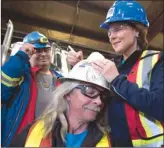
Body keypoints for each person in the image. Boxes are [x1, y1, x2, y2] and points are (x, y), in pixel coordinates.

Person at [67, 0, 164, 147]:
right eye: (109, 31)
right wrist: (82, 67)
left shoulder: (157, 60)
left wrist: (117, 80)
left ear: (137, 30)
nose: (111, 36)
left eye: (118, 29)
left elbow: (160, 106)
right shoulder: (113, 65)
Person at [9, 54, 114, 147]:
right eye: (90, 91)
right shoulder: (33, 132)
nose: (99, 102)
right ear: (67, 93)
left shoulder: (110, 142)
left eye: (103, 96)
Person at [1, 31, 62, 146]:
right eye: (38, 51)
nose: (43, 54)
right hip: (20, 139)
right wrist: (21, 56)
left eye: (46, 50)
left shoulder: (61, 79)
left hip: (48, 141)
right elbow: (2, 91)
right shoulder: (22, 75)